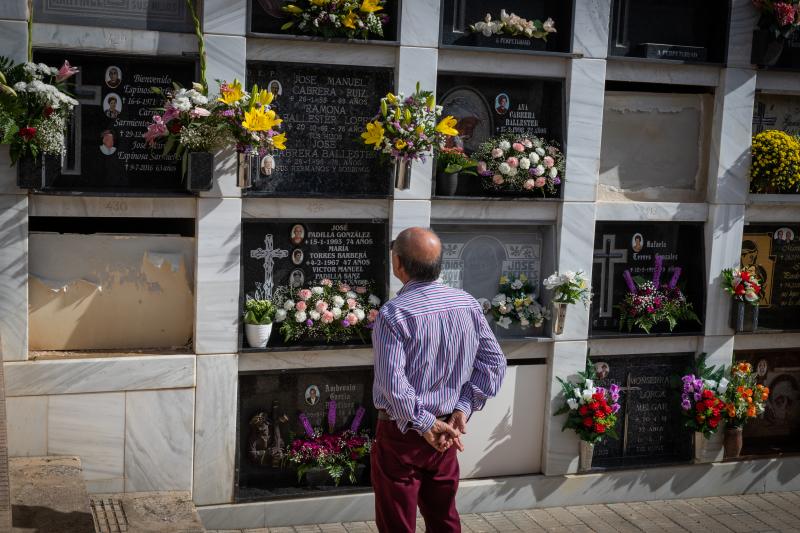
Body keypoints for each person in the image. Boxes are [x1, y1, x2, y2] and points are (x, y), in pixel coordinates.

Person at [371, 227, 506, 533]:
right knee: (445, 519)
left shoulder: (394, 314)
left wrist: (425, 423)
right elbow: (494, 363)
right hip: (446, 433)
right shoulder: (467, 304)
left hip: (402, 434)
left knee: (397, 524)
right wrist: (462, 408)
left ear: (398, 264)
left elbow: (393, 384)